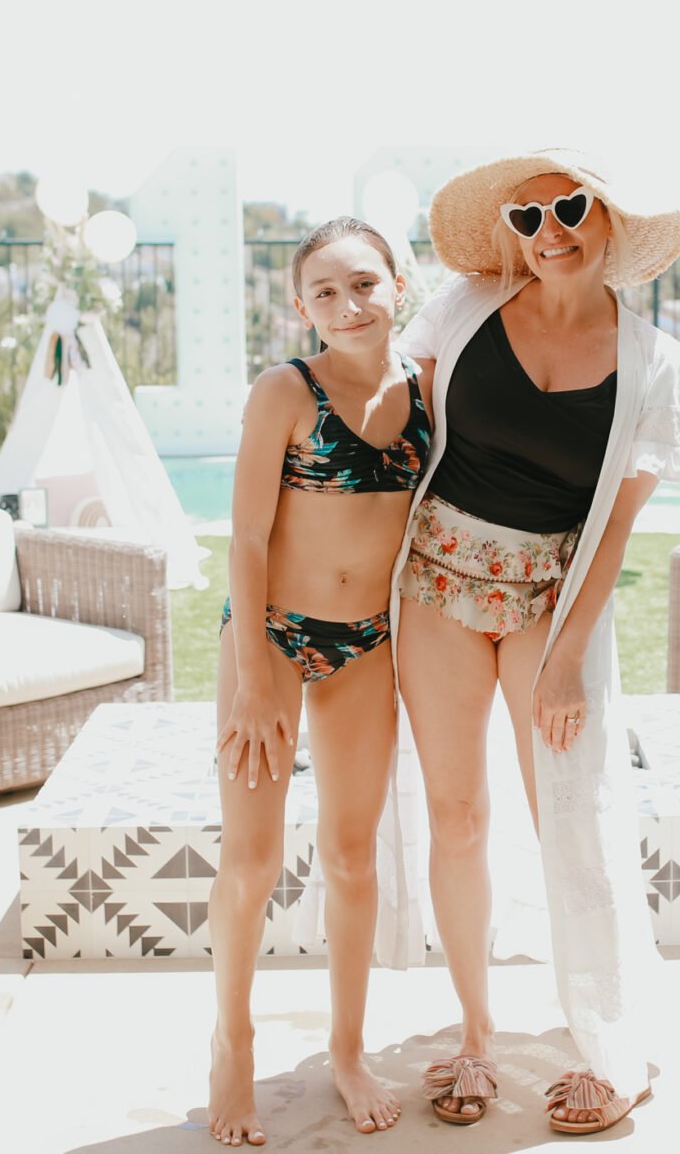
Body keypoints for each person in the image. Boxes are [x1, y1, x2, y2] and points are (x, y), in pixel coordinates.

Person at [392, 153, 680, 1135]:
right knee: (456, 812)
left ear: (607, 219)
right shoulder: (463, 309)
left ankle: (605, 1046)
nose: (548, 230)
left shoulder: (656, 363)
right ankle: (475, 1036)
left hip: (547, 599)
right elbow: (399, 432)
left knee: (569, 811)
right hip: (434, 582)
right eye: (527, 216)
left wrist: (566, 651)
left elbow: (613, 525)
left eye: (568, 207)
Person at [207, 217, 432, 1147]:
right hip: (271, 640)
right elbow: (248, 538)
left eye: (365, 284)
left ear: (398, 287)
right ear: (301, 306)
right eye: (326, 292)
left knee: (351, 858)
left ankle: (347, 1051)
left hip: (368, 644)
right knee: (253, 857)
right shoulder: (284, 392)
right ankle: (233, 1040)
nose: (349, 304)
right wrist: (254, 675)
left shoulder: (428, 392)